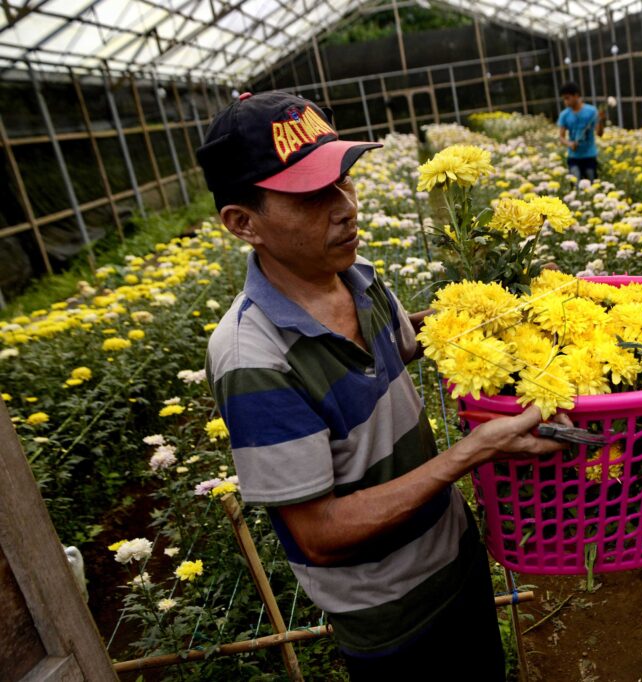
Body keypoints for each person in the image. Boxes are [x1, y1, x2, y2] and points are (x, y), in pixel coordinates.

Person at [196, 91, 567, 680]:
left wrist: (494, 315)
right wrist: (474, 451)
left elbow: (401, 344)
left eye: (343, 181)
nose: (345, 207)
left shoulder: (356, 277)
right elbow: (319, 533)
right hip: (392, 617)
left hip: (459, 559)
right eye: (312, 195)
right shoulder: (251, 356)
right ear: (244, 223)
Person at [557, 81, 606, 182]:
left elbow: (599, 134)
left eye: (567, 98)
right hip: (573, 157)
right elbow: (561, 137)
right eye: (564, 99)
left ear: (576, 95)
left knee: (592, 186)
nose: (565, 102)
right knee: (575, 186)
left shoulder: (592, 111)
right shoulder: (564, 115)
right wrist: (570, 144)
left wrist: (601, 121)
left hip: (589, 156)